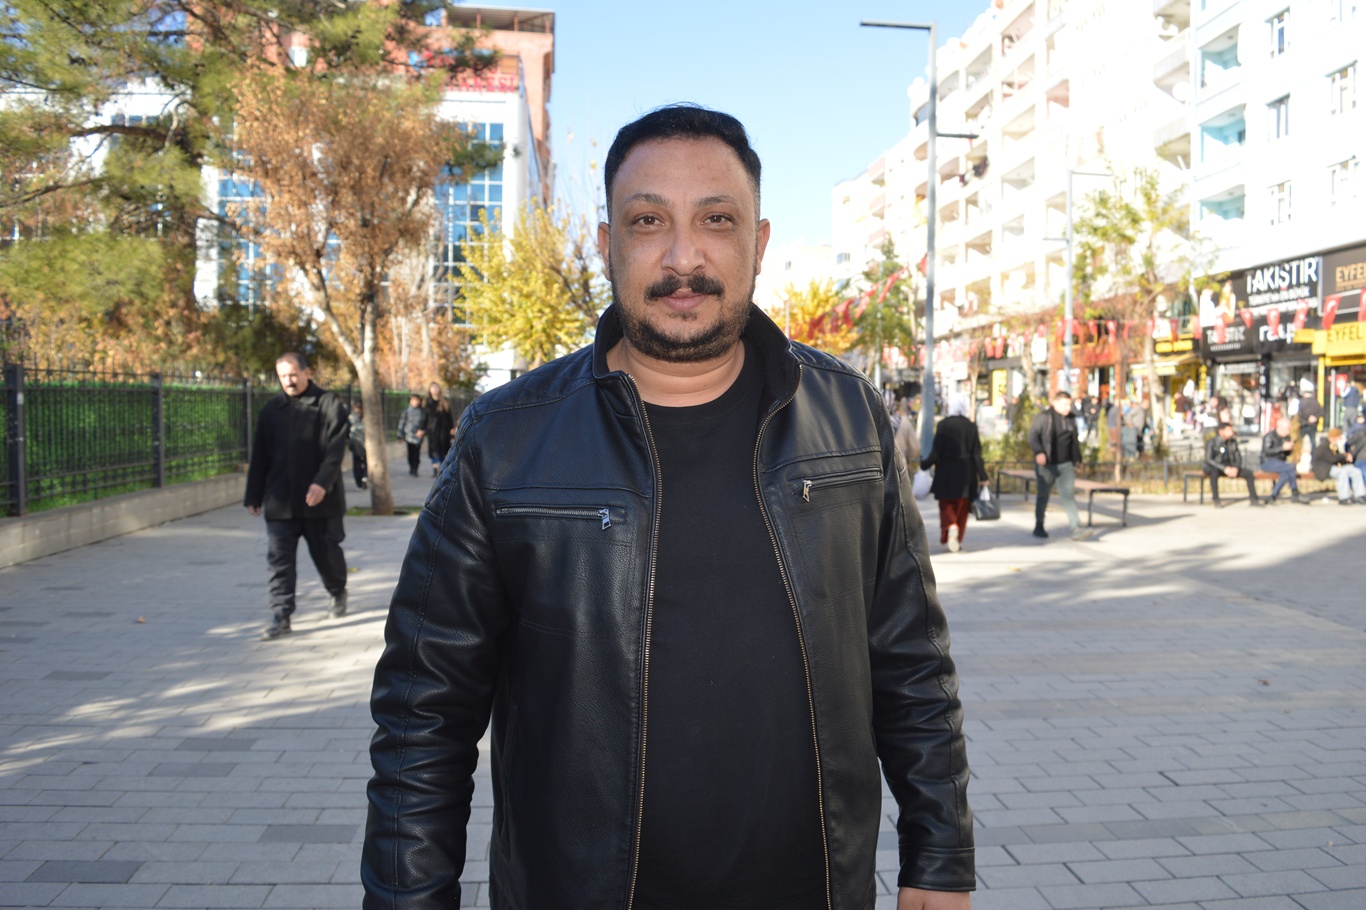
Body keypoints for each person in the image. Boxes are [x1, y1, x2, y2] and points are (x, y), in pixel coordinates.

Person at [363, 105, 975, 910]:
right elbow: (423, 713)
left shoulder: (851, 419)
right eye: (648, 221)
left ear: (758, 242)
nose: (684, 258)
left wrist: (940, 854)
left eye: (716, 220)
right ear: (606, 242)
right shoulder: (504, 441)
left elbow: (912, 663)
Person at [243, 352, 349, 641]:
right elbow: (260, 455)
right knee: (279, 561)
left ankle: (337, 590)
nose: (288, 381)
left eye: (293, 375)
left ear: (306, 373)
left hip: (321, 502)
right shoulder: (271, 410)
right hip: (280, 501)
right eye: (283, 376)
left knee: (327, 555)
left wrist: (322, 483)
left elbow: (335, 450)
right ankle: (281, 615)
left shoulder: (328, 405)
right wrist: (253, 494)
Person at [920, 394, 989, 553]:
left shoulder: (943, 425)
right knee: (962, 508)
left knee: (946, 505)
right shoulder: (971, 426)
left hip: (946, 472)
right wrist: (983, 476)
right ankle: (957, 537)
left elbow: (936, 452)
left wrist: (925, 464)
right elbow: (976, 454)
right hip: (966, 473)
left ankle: (951, 526)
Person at [1028, 389, 1092, 540]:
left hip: (1066, 465)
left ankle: (1076, 527)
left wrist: (1077, 460)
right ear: (1055, 403)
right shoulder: (1044, 417)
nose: (1068, 408)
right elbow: (1032, 436)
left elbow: (1074, 442)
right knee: (1043, 495)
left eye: (1069, 404)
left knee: (1068, 495)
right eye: (1065, 404)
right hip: (1047, 465)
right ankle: (1039, 525)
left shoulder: (1071, 419)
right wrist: (1039, 452)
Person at [1203, 422, 1262, 506]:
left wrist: (1236, 468)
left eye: (1231, 431)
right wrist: (1224, 468)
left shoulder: (1232, 442)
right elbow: (1209, 459)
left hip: (1230, 467)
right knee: (1213, 472)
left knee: (1248, 473)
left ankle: (1254, 499)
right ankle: (1216, 499)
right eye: (1228, 431)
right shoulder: (1212, 442)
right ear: (1221, 431)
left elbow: (1238, 457)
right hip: (1217, 467)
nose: (1231, 433)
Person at [1260, 416, 1309, 504]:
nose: (1288, 432)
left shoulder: (1286, 437)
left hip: (1280, 463)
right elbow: (1267, 452)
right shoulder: (1269, 436)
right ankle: (1295, 492)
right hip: (1267, 462)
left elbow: (1286, 455)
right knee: (1290, 467)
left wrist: (1289, 449)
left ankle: (1273, 496)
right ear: (1280, 427)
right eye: (1287, 429)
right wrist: (1282, 448)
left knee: (1286, 474)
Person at [1312, 427, 1363, 505]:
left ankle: (1360, 495)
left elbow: (1338, 459)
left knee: (1356, 471)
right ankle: (1344, 497)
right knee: (1342, 473)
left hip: (1333, 467)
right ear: (1334, 437)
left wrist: (1346, 459)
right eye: (1339, 437)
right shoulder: (1324, 446)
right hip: (1324, 469)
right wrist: (1344, 456)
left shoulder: (1333, 446)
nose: (1339, 440)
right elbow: (1332, 459)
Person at [421, 381, 455, 476]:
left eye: (436, 387)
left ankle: (442, 467)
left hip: (444, 429)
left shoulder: (445, 401)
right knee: (434, 449)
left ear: (439, 389)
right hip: (432, 430)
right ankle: (435, 469)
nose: (435, 389)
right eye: (433, 387)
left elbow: (449, 415)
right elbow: (424, 417)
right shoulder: (427, 402)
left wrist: (452, 427)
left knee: (443, 448)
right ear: (430, 390)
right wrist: (421, 428)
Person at [396, 394, 425, 477]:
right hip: (408, 436)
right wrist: (400, 435)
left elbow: (425, 422)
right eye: (413, 400)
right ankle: (411, 467)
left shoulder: (422, 412)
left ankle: (415, 468)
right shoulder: (406, 411)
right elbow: (402, 423)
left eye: (417, 400)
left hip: (418, 436)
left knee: (416, 453)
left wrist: (423, 431)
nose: (415, 402)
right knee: (410, 453)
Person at [1296, 379, 1322, 454]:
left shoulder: (1302, 402)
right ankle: (1313, 455)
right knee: (1313, 441)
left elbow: (1300, 413)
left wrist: (1307, 418)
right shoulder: (1316, 402)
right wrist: (1315, 417)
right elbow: (1321, 412)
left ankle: (1297, 453)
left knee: (1300, 440)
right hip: (1312, 425)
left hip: (1304, 424)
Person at [348, 401, 368, 490]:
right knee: (358, 463)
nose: (358, 410)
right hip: (357, 443)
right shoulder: (351, 418)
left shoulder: (367, 418)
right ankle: (361, 480)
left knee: (365, 462)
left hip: (365, 443)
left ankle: (364, 478)